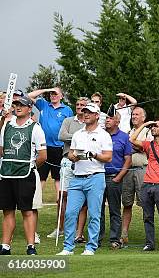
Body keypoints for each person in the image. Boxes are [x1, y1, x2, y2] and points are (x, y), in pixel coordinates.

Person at [56, 102, 112, 256]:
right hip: (77, 177)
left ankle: (91, 247)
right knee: (70, 213)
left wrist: (94, 155)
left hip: (95, 177)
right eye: (84, 112)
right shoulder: (78, 134)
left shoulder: (103, 135)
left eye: (89, 112)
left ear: (97, 116)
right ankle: (68, 247)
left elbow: (108, 157)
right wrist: (73, 156)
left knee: (94, 214)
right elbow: (71, 153)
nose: (86, 114)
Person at [0, 96, 47, 256]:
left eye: (21, 105)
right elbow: (1, 150)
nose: (18, 107)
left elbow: (42, 156)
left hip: (25, 175)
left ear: (29, 109)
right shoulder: (7, 125)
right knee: (7, 210)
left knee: (27, 211)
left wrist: (30, 165)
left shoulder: (35, 128)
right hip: (7, 174)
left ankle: (31, 246)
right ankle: (5, 246)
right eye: (16, 105)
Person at [48, 97, 89, 240]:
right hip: (66, 160)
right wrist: (80, 137)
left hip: (83, 162)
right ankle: (60, 228)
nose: (79, 107)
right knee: (63, 196)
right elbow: (61, 136)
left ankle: (78, 232)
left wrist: (76, 138)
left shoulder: (90, 123)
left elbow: (90, 140)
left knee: (81, 198)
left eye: (82, 105)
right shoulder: (68, 121)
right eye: (77, 104)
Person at [133, 119, 159, 254]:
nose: (153, 128)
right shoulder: (148, 145)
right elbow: (132, 139)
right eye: (152, 127)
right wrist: (144, 125)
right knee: (147, 216)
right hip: (147, 184)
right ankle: (149, 243)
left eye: (155, 126)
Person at [27, 87, 73, 203]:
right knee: (41, 176)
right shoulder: (44, 105)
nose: (53, 96)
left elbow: (70, 127)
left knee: (58, 177)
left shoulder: (67, 110)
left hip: (59, 147)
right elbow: (30, 96)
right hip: (43, 147)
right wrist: (47, 89)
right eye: (51, 94)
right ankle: (35, 200)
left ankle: (60, 201)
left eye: (56, 94)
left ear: (61, 96)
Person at [99, 111, 132, 249]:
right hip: (98, 176)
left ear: (117, 122)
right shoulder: (99, 135)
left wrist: (119, 177)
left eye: (111, 118)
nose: (107, 120)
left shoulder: (124, 137)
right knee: (97, 211)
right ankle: (97, 239)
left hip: (114, 178)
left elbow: (128, 160)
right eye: (106, 118)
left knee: (114, 210)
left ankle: (115, 239)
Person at [122, 106, 152, 246]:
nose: (134, 116)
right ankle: (124, 235)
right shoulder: (129, 132)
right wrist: (134, 145)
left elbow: (146, 148)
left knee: (145, 203)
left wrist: (133, 145)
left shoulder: (148, 132)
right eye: (133, 114)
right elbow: (127, 149)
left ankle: (149, 236)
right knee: (127, 203)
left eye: (137, 114)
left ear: (143, 118)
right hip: (128, 170)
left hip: (142, 170)